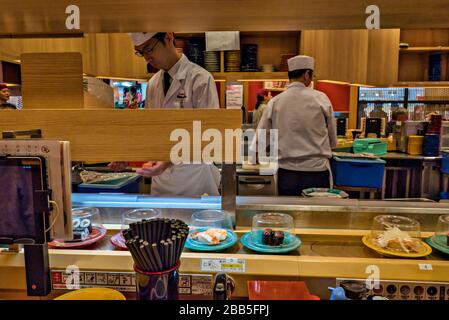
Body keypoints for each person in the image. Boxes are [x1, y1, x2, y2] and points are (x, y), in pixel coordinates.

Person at [109, 32, 221, 197]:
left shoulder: (201, 79)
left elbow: (209, 136)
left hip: (194, 182)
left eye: (148, 49)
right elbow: (151, 132)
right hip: (161, 184)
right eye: (141, 52)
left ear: (168, 37)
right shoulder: (153, 83)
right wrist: (129, 157)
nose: (147, 58)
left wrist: (167, 161)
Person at [251, 55, 337, 196]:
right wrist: (331, 144)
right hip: (316, 171)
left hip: (287, 173)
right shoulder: (321, 98)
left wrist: (255, 156)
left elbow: (262, 134)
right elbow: (332, 136)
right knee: (317, 216)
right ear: (306, 74)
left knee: (289, 214)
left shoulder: (275, 101)